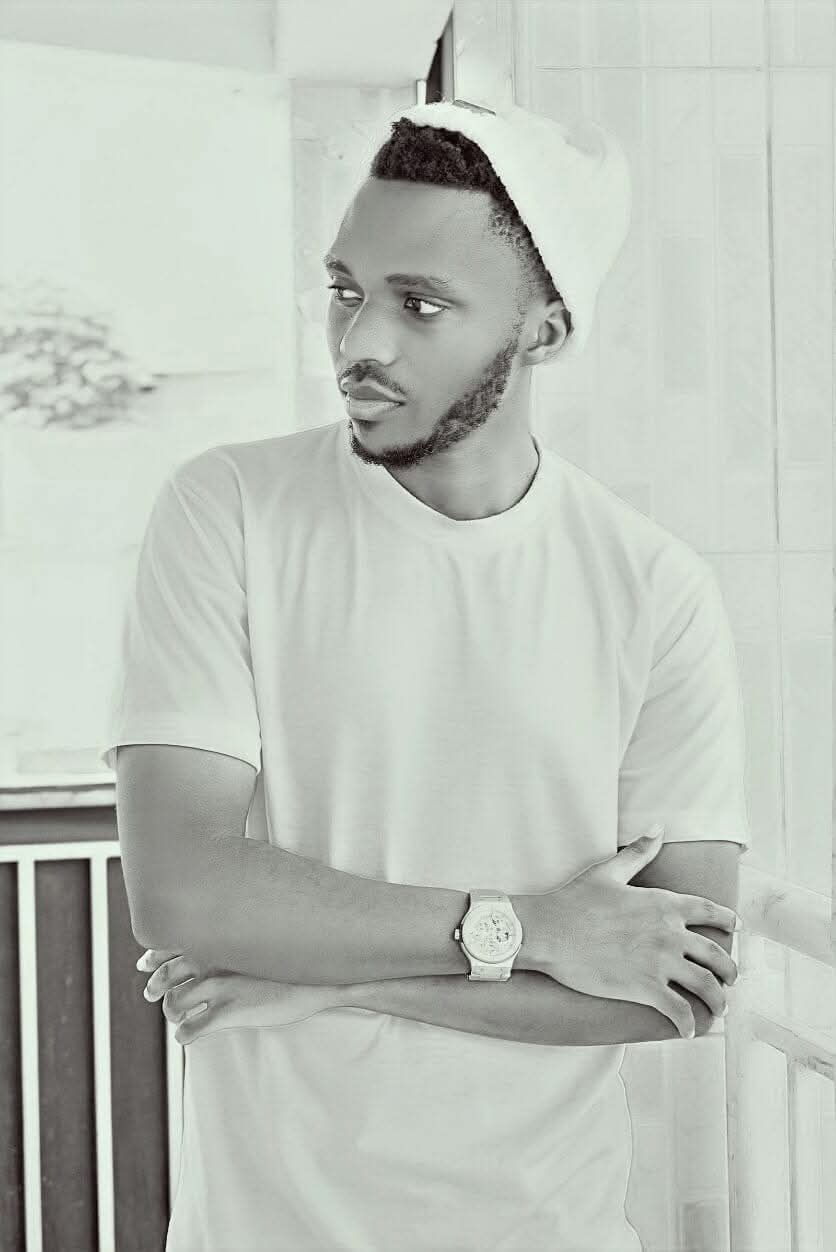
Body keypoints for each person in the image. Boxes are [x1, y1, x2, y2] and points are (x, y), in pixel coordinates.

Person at [102, 100, 750, 1252]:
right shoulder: (229, 511)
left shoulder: (654, 589)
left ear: (543, 332)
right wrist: (532, 929)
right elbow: (186, 891)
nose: (360, 342)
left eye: (419, 304)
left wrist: (336, 981)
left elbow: (681, 982)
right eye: (344, 289)